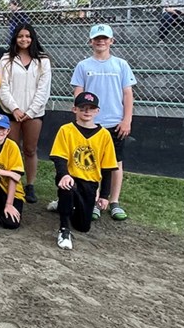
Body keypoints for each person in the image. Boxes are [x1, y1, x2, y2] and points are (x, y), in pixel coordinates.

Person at [70, 24, 136, 222]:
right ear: (90, 41)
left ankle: (114, 201)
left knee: (115, 163)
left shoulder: (121, 65)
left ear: (111, 41)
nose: (101, 41)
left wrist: (127, 119)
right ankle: (96, 199)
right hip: (92, 123)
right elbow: (78, 93)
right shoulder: (83, 65)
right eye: (97, 38)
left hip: (114, 122)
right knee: (92, 162)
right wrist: (80, 117)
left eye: (105, 38)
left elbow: (127, 93)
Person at [48, 92, 119, 250]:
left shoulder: (104, 135)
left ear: (97, 111)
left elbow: (108, 168)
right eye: (82, 108)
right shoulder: (66, 130)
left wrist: (105, 195)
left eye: (91, 108)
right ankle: (64, 229)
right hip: (70, 176)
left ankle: (65, 205)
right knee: (67, 187)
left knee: (83, 226)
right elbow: (59, 158)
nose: (87, 111)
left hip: (90, 182)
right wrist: (64, 174)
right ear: (74, 109)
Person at [0, 23, 51, 203]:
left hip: (33, 113)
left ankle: (30, 185)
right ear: (15, 38)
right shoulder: (6, 60)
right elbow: (2, 88)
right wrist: (15, 109)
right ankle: (13, 181)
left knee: (29, 149)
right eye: (20, 36)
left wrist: (30, 111)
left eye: (27, 36)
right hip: (11, 111)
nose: (24, 39)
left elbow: (43, 89)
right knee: (12, 149)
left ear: (33, 38)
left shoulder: (43, 60)